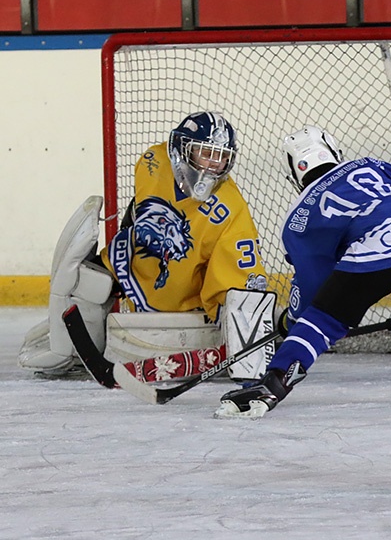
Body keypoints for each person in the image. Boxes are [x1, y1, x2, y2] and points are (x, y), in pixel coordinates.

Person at [215, 124, 391, 419]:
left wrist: (293, 322)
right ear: (335, 153)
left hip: (382, 243)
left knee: (322, 321)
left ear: (294, 175)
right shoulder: (370, 164)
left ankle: (272, 385)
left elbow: (313, 283)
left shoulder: (299, 215)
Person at [19, 111, 269, 377]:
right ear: (181, 149)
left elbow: (239, 277)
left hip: (180, 290)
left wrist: (243, 337)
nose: (213, 165)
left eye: (222, 157)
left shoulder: (231, 209)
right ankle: (75, 352)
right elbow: (138, 207)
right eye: (206, 153)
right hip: (134, 258)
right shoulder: (154, 160)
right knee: (85, 282)